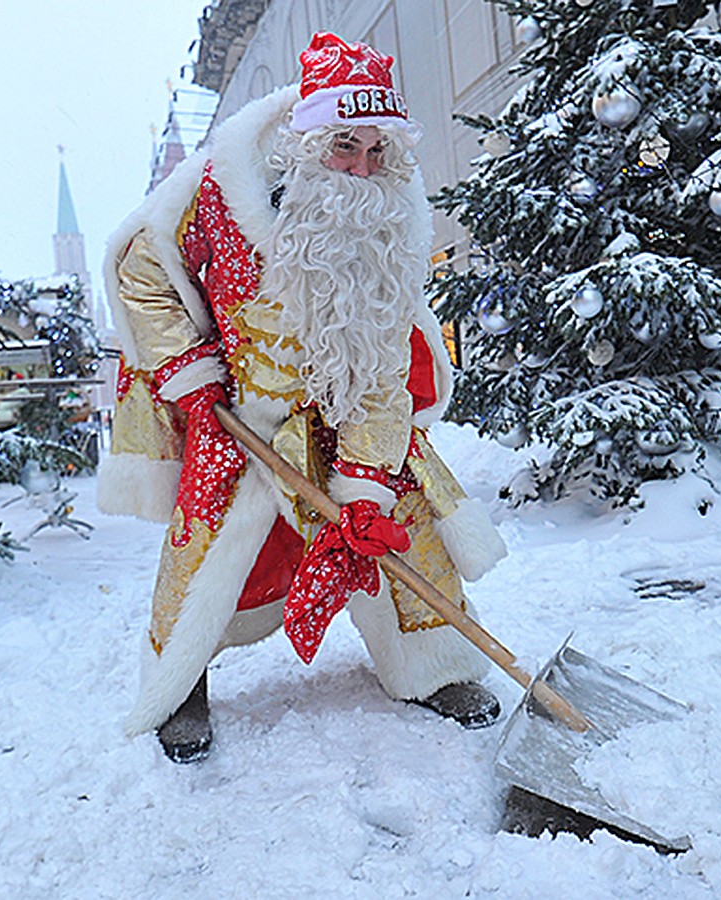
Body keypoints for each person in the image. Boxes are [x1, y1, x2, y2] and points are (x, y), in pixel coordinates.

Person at [99, 32, 507, 763]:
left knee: (398, 526)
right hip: (240, 414)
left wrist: (364, 489)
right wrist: (192, 373)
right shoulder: (215, 193)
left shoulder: (387, 222)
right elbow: (141, 268)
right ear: (306, 140)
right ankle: (179, 682)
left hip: (349, 406)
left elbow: (385, 373)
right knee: (205, 550)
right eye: (345, 146)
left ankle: (434, 667)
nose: (362, 167)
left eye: (378, 152)